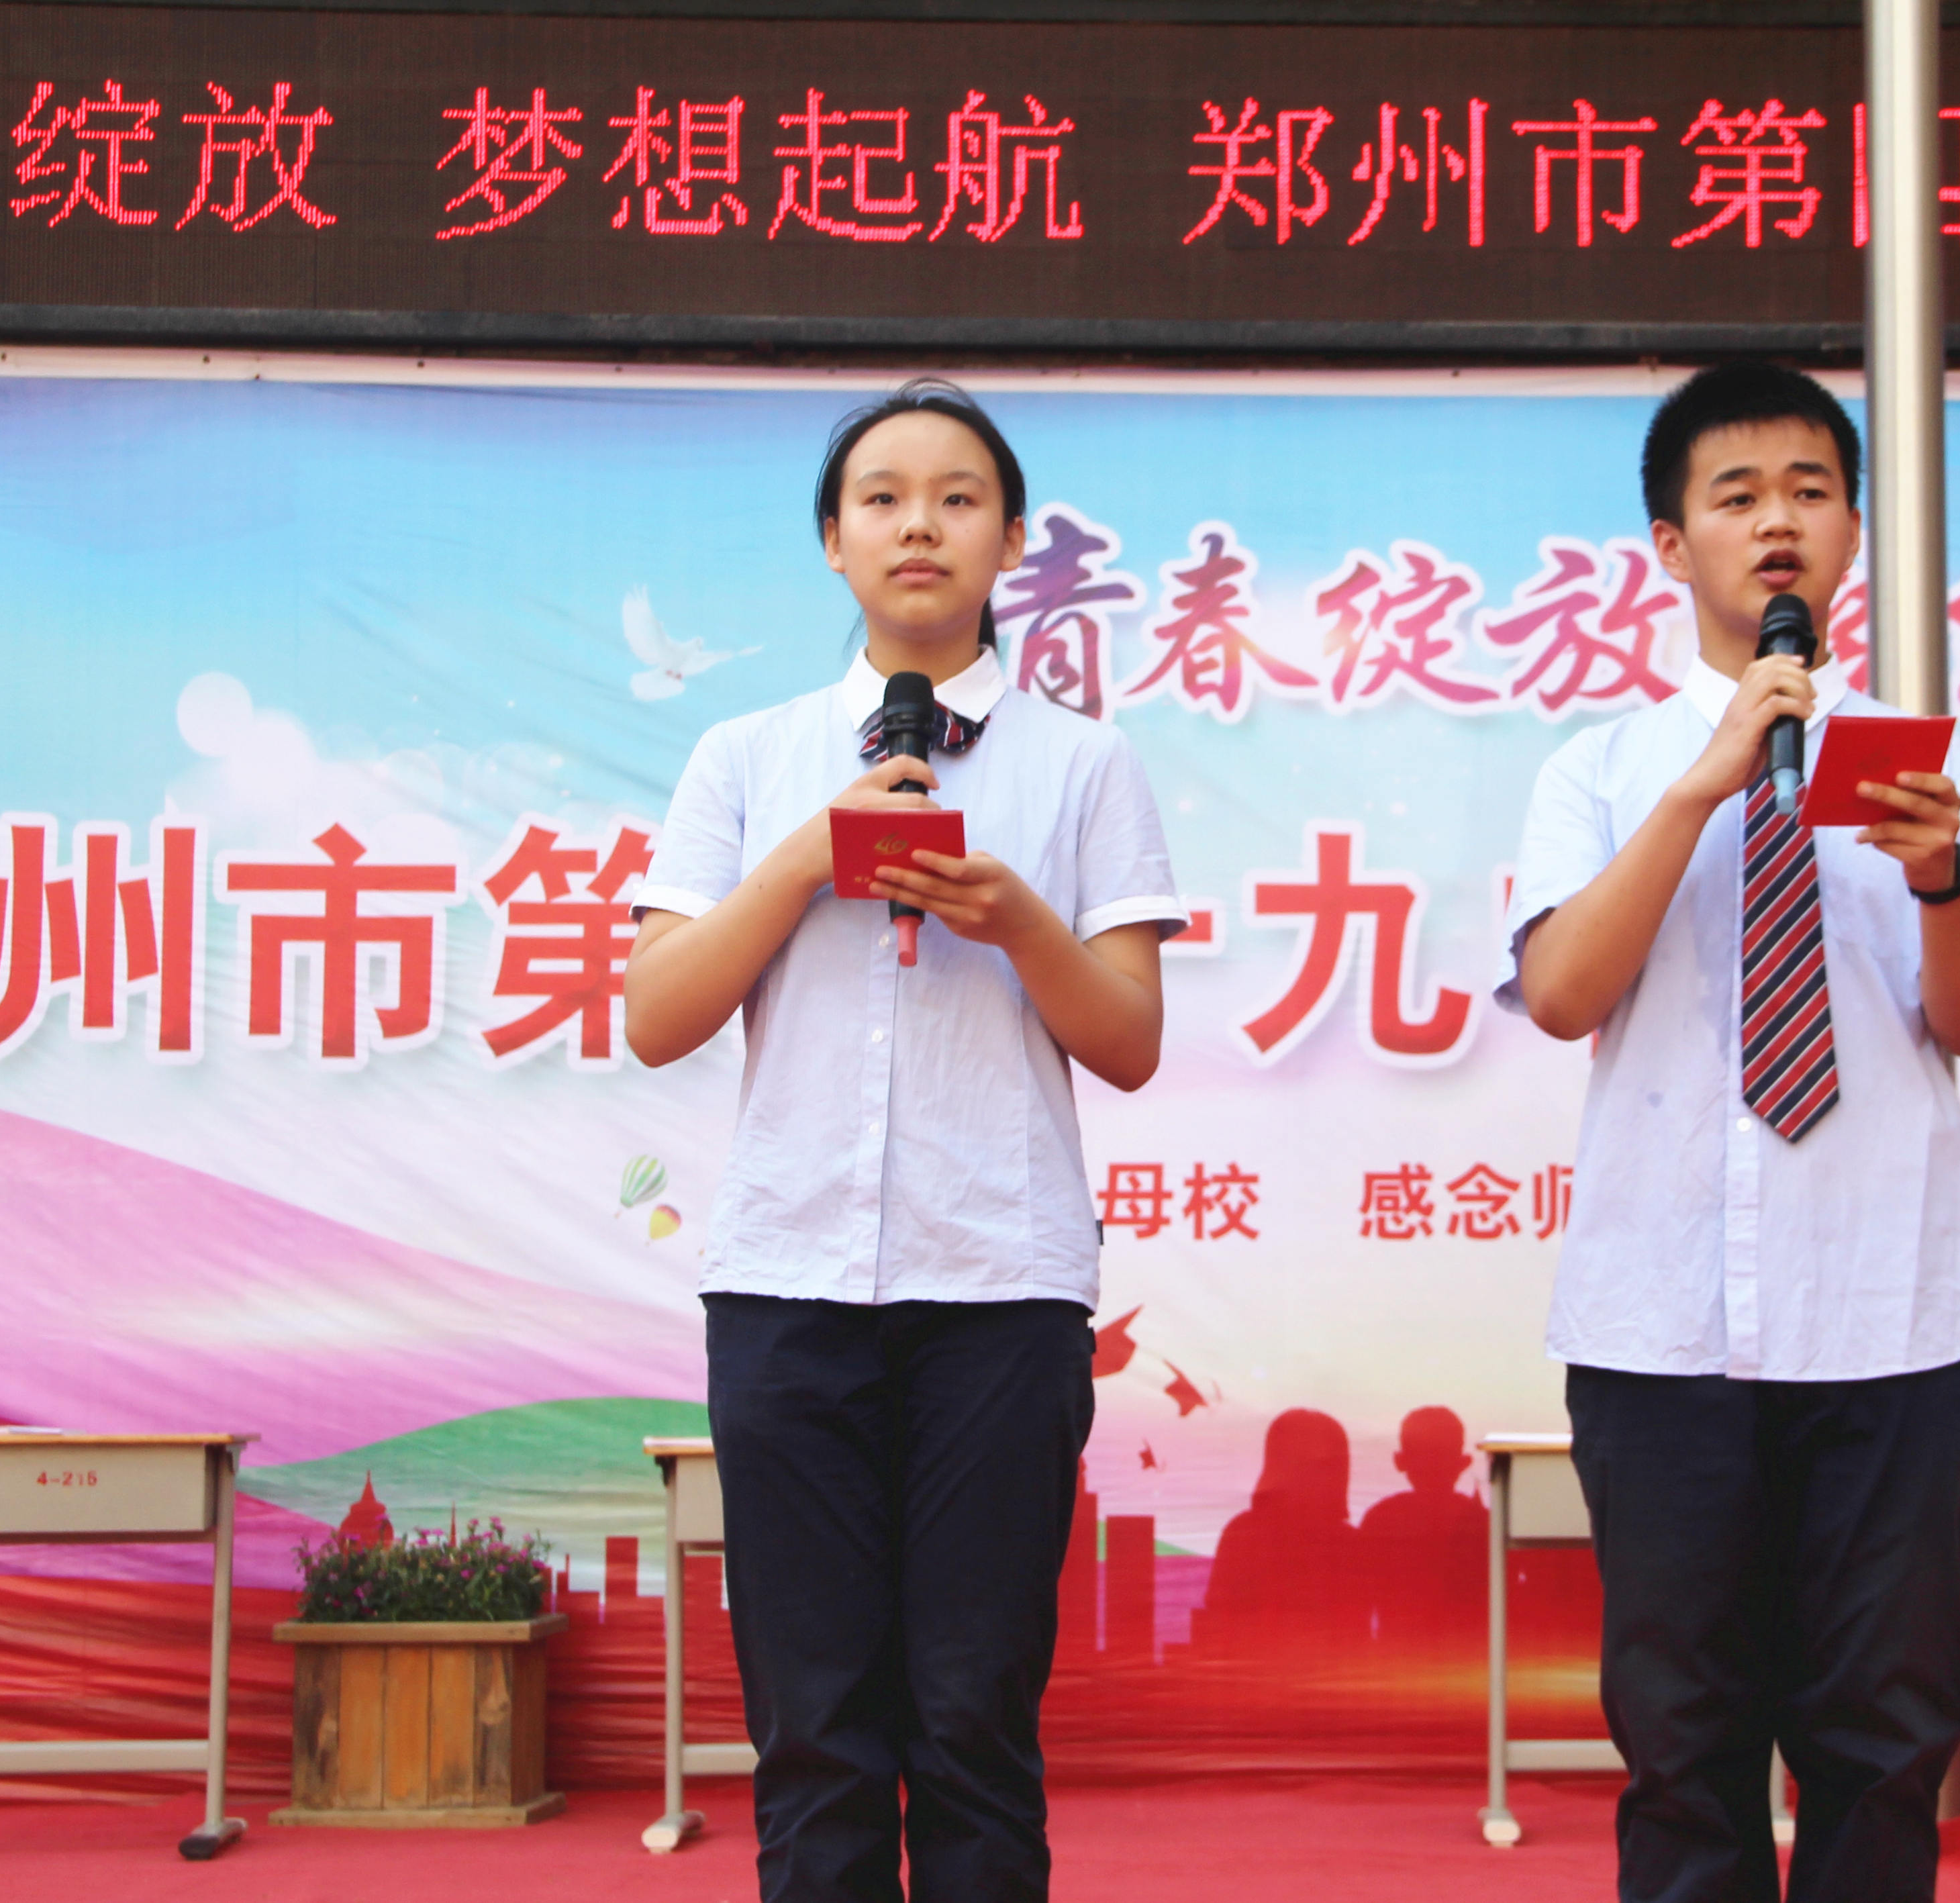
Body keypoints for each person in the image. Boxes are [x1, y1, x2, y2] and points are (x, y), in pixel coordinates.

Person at [622, 379, 1188, 1903]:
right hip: (788, 1291)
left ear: (1011, 538)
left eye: (956, 497)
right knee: (813, 1728)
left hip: (998, 1295)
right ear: (833, 541)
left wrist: (1017, 921)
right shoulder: (746, 757)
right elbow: (656, 1014)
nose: (918, 524)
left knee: (971, 1722)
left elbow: (1129, 1042)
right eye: (881, 498)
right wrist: (801, 861)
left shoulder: (1084, 765)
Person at [1497, 361, 1960, 1903]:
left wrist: (1940, 878)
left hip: (1891, 1326)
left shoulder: (1932, 766)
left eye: (1808, 491)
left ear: (1851, 533)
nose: (1776, 523)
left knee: (1880, 1745)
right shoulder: (1601, 770)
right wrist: (1705, 785)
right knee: (1683, 1748)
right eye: (1735, 497)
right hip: (1660, 1335)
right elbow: (1562, 992)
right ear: (1671, 546)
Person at [1194, 1407, 1367, 1661]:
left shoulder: (1243, 1531)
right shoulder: (1350, 1543)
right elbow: (1357, 1632)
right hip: (1317, 1676)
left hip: (1255, 1674)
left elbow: (1218, 1614)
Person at [1358, 1405, 1489, 1658]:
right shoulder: (1484, 1523)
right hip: (1469, 1660)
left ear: (1400, 1461)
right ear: (1463, 1463)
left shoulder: (1381, 1519)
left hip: (1397, 1659)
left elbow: (1361, 1603)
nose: (1432, 1466)